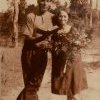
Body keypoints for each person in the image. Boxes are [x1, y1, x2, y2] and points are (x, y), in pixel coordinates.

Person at [16, 0, 55, 100]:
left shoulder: (53, 17)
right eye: (43, 0)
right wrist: (44, 36)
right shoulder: (30, 16)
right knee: (29, 81)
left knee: (35, 82)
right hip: (29, 52)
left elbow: (59, 31)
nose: (45, 3)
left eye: (48, 1)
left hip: (42, 53)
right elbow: (28, 38)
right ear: (38, 2)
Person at [51, 9, 88, 100]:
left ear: (67, 18)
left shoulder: (72, 29)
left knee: (75, 86)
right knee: (66, 85)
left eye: (65, 16)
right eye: (60, 16)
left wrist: (77, 42)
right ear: (57, 17)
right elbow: (52, 47)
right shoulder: (55, 32)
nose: (62, 18)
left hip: (73, 60)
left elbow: (82, 42)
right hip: (62, 61)